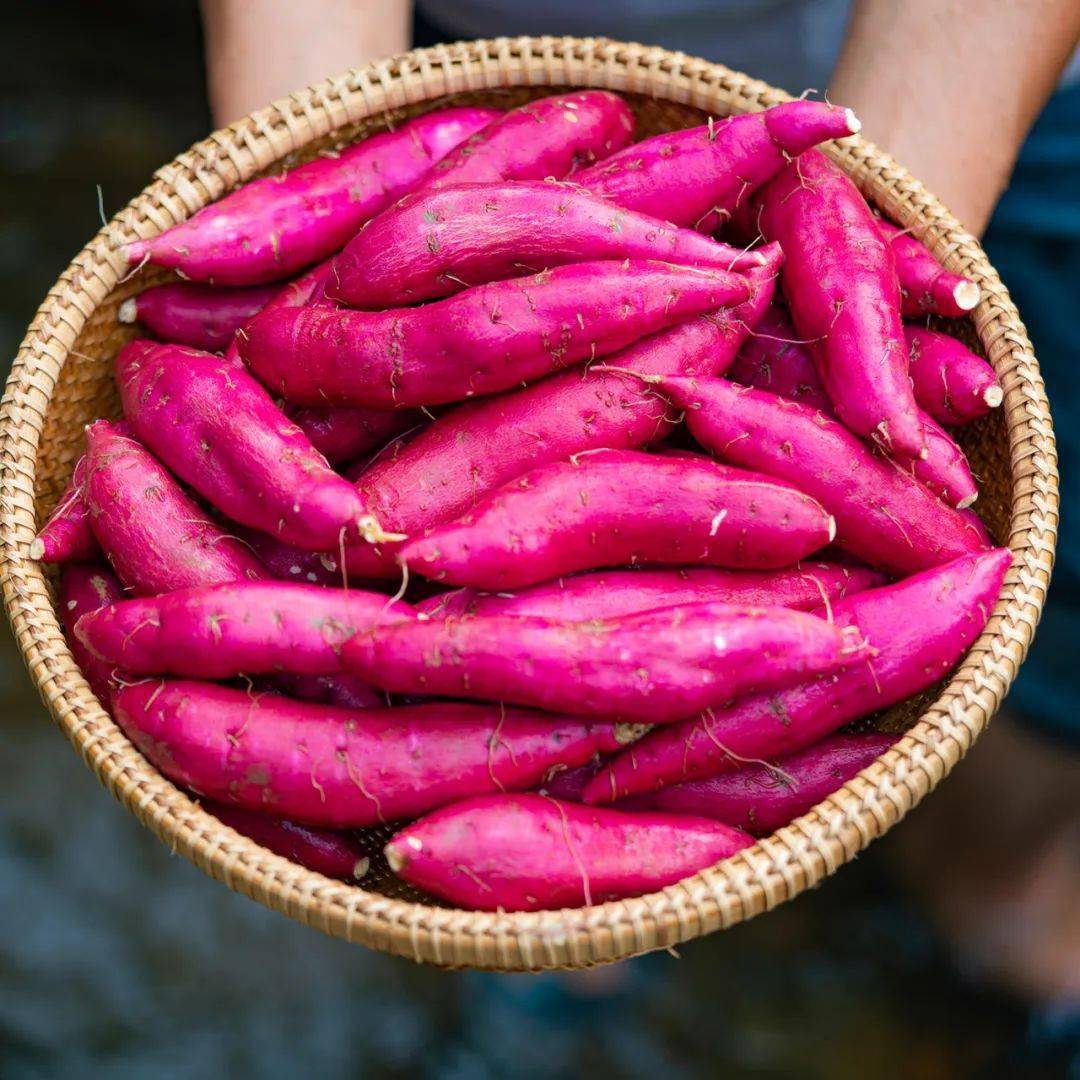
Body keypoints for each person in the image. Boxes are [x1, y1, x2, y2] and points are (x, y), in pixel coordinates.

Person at [198, 0, 1080, 1004]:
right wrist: (302, 213)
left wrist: (849, 261)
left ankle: (1004, 902)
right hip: (503, 45)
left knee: (1025, 650)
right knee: (536, 839)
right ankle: (565, 940)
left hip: (988, 75)